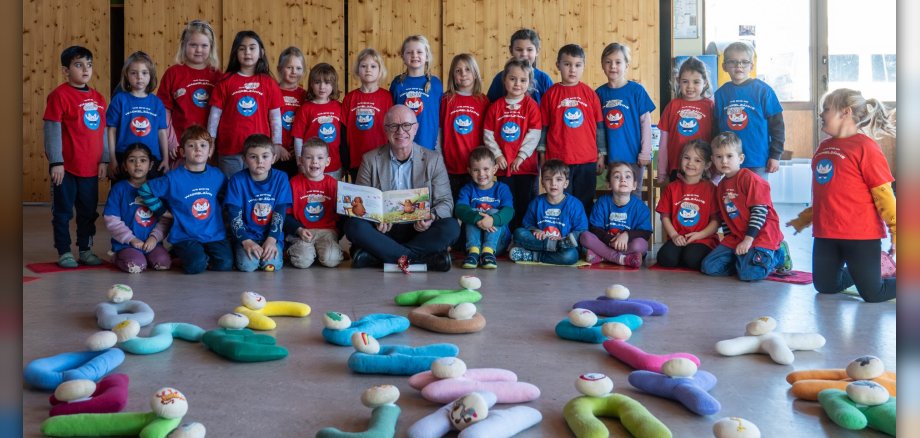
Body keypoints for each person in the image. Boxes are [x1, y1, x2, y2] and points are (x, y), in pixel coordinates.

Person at [786, 89, 896, 303]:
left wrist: (896, 230)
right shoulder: (824, 147)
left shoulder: (866, 147)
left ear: (845, 112)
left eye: (826, 109)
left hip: (861, 235)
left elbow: (884, 194)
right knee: (825, 286)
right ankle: (867, 272)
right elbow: (826, 193)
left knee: (873, 293)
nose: (821, 114)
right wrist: (805, 219)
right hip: (827, 233)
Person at [343, 105, 459, 271]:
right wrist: (376, 220)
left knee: (451, 227)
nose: (400, 131)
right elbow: (361, 204)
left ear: (416, 128)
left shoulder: (433, 159)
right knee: (353, 225)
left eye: (406, 125)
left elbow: (445, 202)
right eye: (393, 126)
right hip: (384, 231)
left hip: (420, 230)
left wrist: (431, 217)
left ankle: (378, 257)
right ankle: (425, 260)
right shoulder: (370, 160)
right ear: (385, 129)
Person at [43, 45, 109, 268]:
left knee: (88, 213)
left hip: (90, 168)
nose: (85, 69)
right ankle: (64, 251)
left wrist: (105, 159)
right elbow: (52, 130)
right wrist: (56, 162)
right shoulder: (59, 96)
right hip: (66, 168)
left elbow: (103, 132)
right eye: (78, 65)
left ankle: (85, 249)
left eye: (88, 65)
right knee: (62, 213)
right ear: (65, 70)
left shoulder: (99, 98)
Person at [139, 125, 232, 274]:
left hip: (213, 233)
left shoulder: (217, 175)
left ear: (210, 151)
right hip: (185, 234)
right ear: (182, 151)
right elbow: (145, 190)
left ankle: (197, 255)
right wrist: (162, 211)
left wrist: (218, 211)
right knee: (196, 266)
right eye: (191, 145)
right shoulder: (173, 178)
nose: (198, 149)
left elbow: (224, 195)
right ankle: (183, 254)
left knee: (225, 264)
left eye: (203, 145)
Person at [701, 132, 788, 281]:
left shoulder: (752, 180)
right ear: (713, 160)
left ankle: (780, 254)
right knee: (709, 267)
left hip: (761, 236)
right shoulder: (720, 186)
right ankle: (744, 261)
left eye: (729, 156)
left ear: (740, 158)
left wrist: (748, 240)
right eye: (719, 157)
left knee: (748, 274)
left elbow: (759, 212)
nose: (724, 161)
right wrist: (729, 242)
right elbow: (726, 218)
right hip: (737, 238)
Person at [207, 30, 283, 178]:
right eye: (242, 48)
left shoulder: (269, 83)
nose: (247, 52)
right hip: (230, 149)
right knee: (231, 190)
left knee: (255, 192)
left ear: (261, 52)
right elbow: (215, 115)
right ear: (236, 53)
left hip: (259, 152)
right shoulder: (225, 81)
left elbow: (275, 117)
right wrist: (211, 140)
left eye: (252, 48)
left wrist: (277, 143)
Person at [539, 43, 604, 213]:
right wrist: (542, 155)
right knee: (561, 201)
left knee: (585, 201)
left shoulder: (590, 94)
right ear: (558, 65)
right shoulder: (550, 95)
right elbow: (543, 128)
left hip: (587, 159)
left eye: (577, 65)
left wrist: (601, 155)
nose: (572, 69)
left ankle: (583, 237)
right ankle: (562, 236)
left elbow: (599, 128)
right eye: (567, 64)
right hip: (559, 161)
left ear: (583, 66)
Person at [483, 59, 542, 232]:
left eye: (523, 80)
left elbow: (534, 133)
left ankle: (522, 237)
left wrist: (521, 156)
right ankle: (505, 237)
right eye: (513, 79)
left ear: (529, 83)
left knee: (524, 203)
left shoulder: (531, 106)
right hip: (503, 165)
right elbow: (488, 134)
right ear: (504, 80)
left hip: (525, 166)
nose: (517, 84)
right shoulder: (496, 107)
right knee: (506, 204)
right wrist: (498, 155)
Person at [713, 41, 784, 179]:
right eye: (732, 62)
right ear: (724, 66)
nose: (739, 66)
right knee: (731, 198)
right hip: (728, 161)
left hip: (757, 160)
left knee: (756, 199)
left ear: (751, 66)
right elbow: (716, 128)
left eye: (744, 62)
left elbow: (777, 126)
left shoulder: (764, 91)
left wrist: (775, 155)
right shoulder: (720, 94)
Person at [157, 19, 222, 169]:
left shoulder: (218, 76)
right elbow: (164, 111)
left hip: (209, 148)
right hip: (181, 147)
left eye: (204, 45)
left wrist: (216, 142)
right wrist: (171, 140)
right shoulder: (173, 73)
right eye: (193, 45)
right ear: (183, 45)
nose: (199, 50)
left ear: (211, 47)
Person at [225, 134, 293, 272]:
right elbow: (234, 215)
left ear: (273, 158)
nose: (259, 161)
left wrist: (272, 240)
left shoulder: (281, 178)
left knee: (272, 265)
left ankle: (277, 249)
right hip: (246, 236)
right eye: (253, 157)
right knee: (248, 266)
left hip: (271, 235)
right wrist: (246, 241)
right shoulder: (237, 180)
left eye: (265, 156)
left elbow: (280, 213)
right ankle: (236, 249)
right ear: (244, 159)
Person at [595, 43, 655, 192]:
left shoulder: (637, 90)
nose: (613, 66)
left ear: (626, 65)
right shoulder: (599, 94)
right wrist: (600, 155)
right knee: (613, 197)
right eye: (608, 62)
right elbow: (596, 128)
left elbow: (646, 124)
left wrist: (645, 152)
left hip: (634, 157)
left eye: (618, 62)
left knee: (634, 195)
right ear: (602, 65)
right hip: (610, 158)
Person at [103, 143, 172, 273]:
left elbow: (165, 218)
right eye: (132, 160)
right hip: (127, 244)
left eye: (143, 160)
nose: (137, 164)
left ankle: (148, 254)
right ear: (124, 165)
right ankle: (116, 256)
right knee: (136, 265)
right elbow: (111, 220)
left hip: (152, 243)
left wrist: (154, 238)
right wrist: (131, 239)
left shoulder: (157, 189)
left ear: (151, 165)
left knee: (164, 263)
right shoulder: (119, 189)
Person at [655, 140, 720, 270]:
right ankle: (682, 254)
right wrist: (674, 235)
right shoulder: (672, 188)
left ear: (707, 165)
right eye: (687, 158)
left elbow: (716, 221)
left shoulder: (711, 189)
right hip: (678, 237)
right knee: (665, 259)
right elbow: (665, 217)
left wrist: (699, 235)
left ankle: (687, 254)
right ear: (681, 159)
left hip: (702, 239)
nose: (690, 163)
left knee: (692, 259)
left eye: (697, 160)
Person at [509, 159, 588, 266]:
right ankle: (553, 245)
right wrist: (535, 230)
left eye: (558, 179)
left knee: (571, 256)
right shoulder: (536, 202)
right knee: (518, 233)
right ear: (542, 182)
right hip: (541, 242)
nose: (553, 183)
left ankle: (533, 256)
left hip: (562, 246)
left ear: (566, 183)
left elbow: (581, 230)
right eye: (548, 179)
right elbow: (527, 224)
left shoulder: (575, 204)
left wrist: (564, 239)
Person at [106, 51, 169, 181]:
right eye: (134, 73)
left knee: (150, 197)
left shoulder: (157, 102)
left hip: (152, 158)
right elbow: (111, 130)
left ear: (151, 76)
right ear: (127, 76)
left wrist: (166, 159)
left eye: (144, 73)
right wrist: (111, 159)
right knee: (123, 194)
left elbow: (162, 132)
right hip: (123, 156)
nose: (139, 77)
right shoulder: (119, 100)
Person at [284, 137, 345, 268]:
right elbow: (286, 215)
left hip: (327, 232)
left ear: (328, 161)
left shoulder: (334, 185)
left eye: (320, 158)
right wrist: (299, 230)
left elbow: (341, 215)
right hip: (302, 231)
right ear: (300, 160)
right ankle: (298, 251)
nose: (314, 162)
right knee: (302, 261)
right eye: (309, 157)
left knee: (331, 260)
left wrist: (337, 234)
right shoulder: (293, 184)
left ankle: (325, 250)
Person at [580, 162, 652, 268]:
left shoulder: (641, 207)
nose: (623, 179)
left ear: (634, 185)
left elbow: (646, 232)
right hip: (606, 243)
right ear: (609, 184)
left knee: (640, 245)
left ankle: (603, 256)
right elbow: (595, 229)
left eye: (627, 176)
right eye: (617, 176)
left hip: (627, 245)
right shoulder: (602, 202)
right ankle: (621, 259)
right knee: (585, 237)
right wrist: (610, 240)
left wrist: (627, 235)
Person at [657, 56, 715, 184]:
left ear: (705, 82)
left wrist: (715, 171)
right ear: (678, 81)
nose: (690, 86)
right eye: (685, 81)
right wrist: (662, 171)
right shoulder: (672, 106)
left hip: (704, 169)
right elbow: (663, 143)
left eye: (696, 82)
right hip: (676, 169)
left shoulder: (710, 106)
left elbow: (715, 139)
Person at [440, 53, 489, 200]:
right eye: (458, 70)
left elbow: (488, 134)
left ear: (475, 73)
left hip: (476, 166)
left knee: (474, 205)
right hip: (451, 164)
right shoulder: (446, 99)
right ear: (452, 75)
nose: (463, 74)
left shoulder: (483, 100)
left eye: (468, 69)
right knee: (454, 204)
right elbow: (440, 132)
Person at [455, 147, 514, 269]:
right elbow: (459, 210)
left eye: (486, 169)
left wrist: (492, 220)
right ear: (470, 171)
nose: (481, 174)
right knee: (472, 212)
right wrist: (477, 218)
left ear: (495, 169)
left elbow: (509, 212)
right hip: (471, 242)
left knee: (493, 212)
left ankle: (488, 252)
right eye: (476, 170)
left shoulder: (502, 189)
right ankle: (474, 252)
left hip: (497, 244)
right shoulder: (467, 189)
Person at [343, 48, 392, 182]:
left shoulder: (387, 97)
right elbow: (343, 130)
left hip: (382, 159)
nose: (368, 69)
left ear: (380, 70)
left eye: (373, 66)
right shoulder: (350, 98)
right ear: (358, 70)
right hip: (357, 159)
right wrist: (345, 159)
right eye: (363, 66)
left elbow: (392, 128)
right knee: (361, 198)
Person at [389, 35, 443, 150]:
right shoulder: (397, 83)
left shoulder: (436, 84)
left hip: (428, 146)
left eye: (419, 52)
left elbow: (440, 115)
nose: (414, 55)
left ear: (427, 56)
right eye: (409, 52)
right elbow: (391, 115)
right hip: (402, 146)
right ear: (403, 57)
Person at [292, 63, 345, 179]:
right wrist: (300, 163)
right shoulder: (305, 109)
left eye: (327, 82)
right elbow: (298, 138)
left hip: (334, 166)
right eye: (317, 82)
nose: (322, 87)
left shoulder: (339, 107)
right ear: (311, 84)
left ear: (333, 85)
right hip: (310, 167)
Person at [486, 28, 554, 104]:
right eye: (519, 49)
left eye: (529, 50)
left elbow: (553, 107)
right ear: (511, 50)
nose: (524, 54)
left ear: (537, 51)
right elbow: (490, 105)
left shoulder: (544, 79)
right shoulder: (500, 78)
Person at [275, 46, 308, 177]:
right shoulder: (271, 91)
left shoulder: (305, 96)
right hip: (274, 153)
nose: (294, 71)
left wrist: (300, 149)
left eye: (298, 68)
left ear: (303, 71)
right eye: (289, 67)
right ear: (279, 69)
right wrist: (275, 146)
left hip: (298, 154)